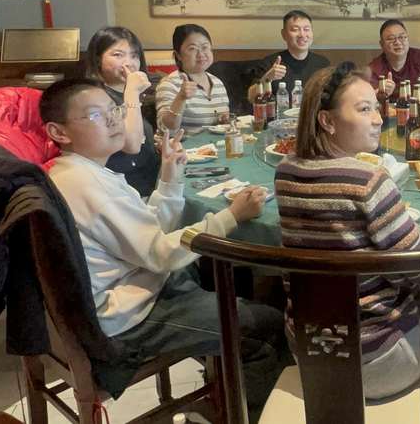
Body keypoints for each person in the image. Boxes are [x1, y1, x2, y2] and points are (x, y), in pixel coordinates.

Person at [40, 79, 284, 419]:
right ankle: (233, 413)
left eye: (114, 110)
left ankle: (221, 388)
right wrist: (232, 216)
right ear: (58, 132)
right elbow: (161, 253)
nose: (113, 120)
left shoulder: (79, 174)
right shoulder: (86, 185)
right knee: (270, 327)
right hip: (125, 325)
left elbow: (146, 236)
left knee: (210, 277)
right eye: (96, 115)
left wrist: (170, 177)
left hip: (131, 293)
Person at [274, 63, 420, 400]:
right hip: (377, 363)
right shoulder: (369, 180)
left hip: (310, 353)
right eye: (363, 109)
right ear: (327, 121)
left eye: (376, 107)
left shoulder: (285, 171)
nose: (378, 119)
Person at [82, 26, 159, 196]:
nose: (129, 63)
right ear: (98, 59)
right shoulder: (94, 98)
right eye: (118, 55)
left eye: (134, 55)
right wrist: (132, 91)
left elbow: (140, 136)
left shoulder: (130, 93)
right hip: (124, 190)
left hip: (151, 180)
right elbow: (131, 145)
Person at [156, 24, 230, 131]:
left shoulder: (217, 82)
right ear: (178, 55)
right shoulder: (169, 84)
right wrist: (180, 98)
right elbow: (166, 128)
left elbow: (220, 123)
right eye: (192, 48)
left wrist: (224, 121)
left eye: (205, 47)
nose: (201, 54)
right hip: (183, 142)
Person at [246, 10, 330, 105]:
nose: (302, 35)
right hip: (279, 114)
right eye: (295, 29)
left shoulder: (323, 63)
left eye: (306, 29)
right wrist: (268, 77)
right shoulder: (270, 63)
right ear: (284, 34)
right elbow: (251, 97)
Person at [368, 19, 420, 90]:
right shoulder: (374, 69)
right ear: (382, 44)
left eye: (402, 37)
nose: (397, 42)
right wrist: (380, 93)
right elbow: (369, 96)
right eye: (391, 38)